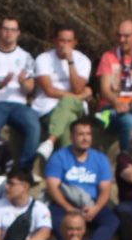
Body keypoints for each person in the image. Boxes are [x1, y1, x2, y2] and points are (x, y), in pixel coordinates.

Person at [42, 115, 120, 240]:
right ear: (72, 137)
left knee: (112, 221)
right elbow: (52, 187)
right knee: (56, 221)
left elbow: (105, 190)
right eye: (80, 134)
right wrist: (70, 209)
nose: (85, 138)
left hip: (92, 203)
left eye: (88, 134)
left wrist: (95, 209)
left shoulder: (100, 158)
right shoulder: (59, 157)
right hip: (64, 203)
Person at [0, 17, 41, 168]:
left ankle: (24, 170)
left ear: (18, 33)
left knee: (34, 125)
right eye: (5, 29)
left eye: (12, 30)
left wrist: (24, 82)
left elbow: (31, 88)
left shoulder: (26, 57)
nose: (8, 33)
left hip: (19, 105)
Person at [31, 25, 94, 156]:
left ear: (75, 42)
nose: (65, 45)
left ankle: (50, 141)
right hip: (48, 108)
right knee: (70, 123)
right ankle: (69, 168)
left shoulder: (83, 60)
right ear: (54, 41)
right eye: (62, 40)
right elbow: (49, 90)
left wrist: (70, 62)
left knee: (68, 105)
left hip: (77, 107)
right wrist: (80, 96)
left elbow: (77, 88)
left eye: (69, 41)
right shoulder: (43, 59)